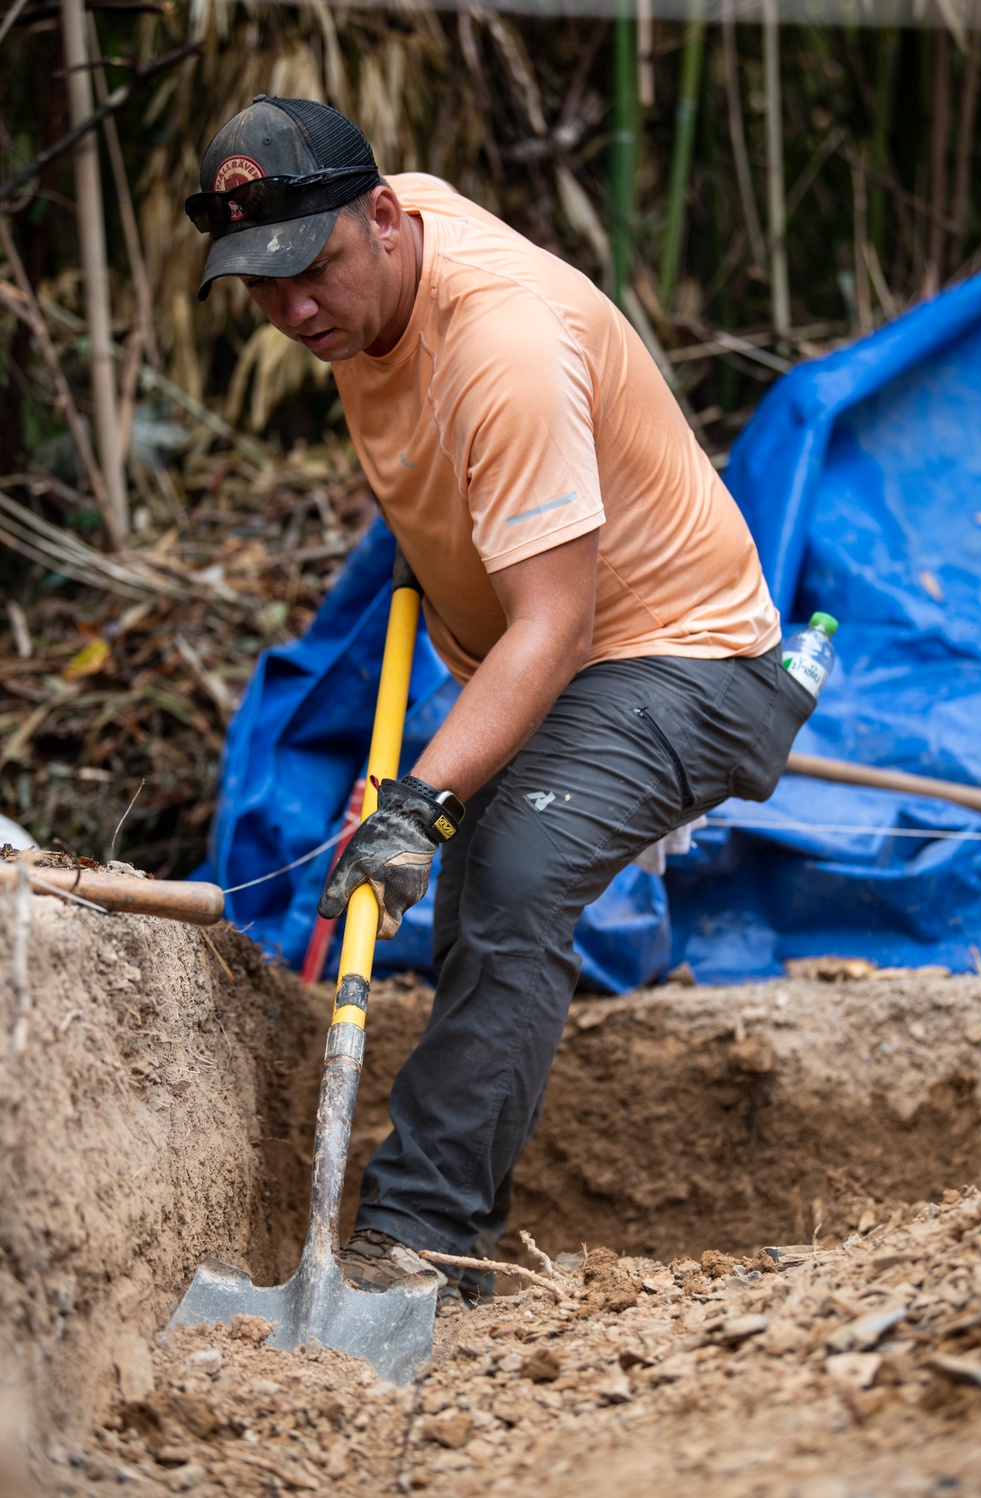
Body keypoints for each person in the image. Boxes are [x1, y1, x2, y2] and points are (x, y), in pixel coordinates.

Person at [188, 96, 814, 1303]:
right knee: (475, 879)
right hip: (566, 658)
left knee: (512, 869)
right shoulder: (368, 264)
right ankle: (449, 1218)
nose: (294, 312)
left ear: (383, 217)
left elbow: (556, 623)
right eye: (262, 290)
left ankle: (421, 1236)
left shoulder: (505, 342)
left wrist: (416, 799)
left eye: (311, 273)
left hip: (681, 658)